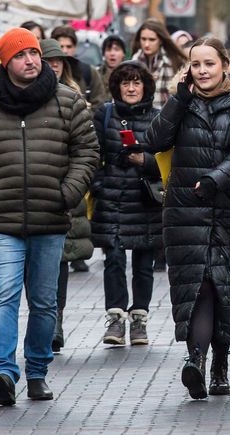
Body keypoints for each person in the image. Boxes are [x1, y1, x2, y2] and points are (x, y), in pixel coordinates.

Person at [0, 28, 99, 406]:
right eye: (21, 55)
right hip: (0, 220)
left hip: (49, 219)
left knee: (44, 302)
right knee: (4, 296)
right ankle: (3, 370)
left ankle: (37, 372)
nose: (31, 60)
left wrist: (66, 194)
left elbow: (87, 153)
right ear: (6, 62)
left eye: (34, 53)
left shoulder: (67, 101)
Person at [147, 37, 230, 400]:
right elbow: (155, 140)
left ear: (225, 65)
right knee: (196, 285)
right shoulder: (181, 100)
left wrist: (216, 179)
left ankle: (220, 365)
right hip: (186, 208)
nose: (202, 71)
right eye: (196, 65)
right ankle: (195, 361)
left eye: (209, 64)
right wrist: (179, 99)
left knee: (223, 287)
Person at [91, 61, 162, 346]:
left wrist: (144, 160)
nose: (131, 88)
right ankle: (116, 318)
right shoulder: (105, 114)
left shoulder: (159, 117)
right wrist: (97, 184)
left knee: (144, 264)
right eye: (125, 83)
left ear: (145, 86)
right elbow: (90, 153)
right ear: (116, 87)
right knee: (114, 260)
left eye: (136, 82)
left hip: (145, 200)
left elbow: (169, 160)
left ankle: (139, 320)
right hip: (113, 200)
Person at [39, 39, 96, 351]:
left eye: (59, 60)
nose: (55, 65)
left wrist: (73, 185)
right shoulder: (28, 96)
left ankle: (55, 321)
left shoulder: (75, 98)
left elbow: (86, 148)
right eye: (49, 60)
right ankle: (44, 319)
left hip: (65, 193)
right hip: (35, 189)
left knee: (59, 260)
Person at [132, 19, 188, 109]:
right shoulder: (134, 62)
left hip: (167, 115)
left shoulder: (173, 61)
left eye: (152, 40)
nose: (146, 44)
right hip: (139, 115)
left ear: (160, 40)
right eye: (143, 39)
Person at [50, 25, 100, 109]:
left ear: (75, 47)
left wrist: (82, 117)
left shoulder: (88, 71)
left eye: (69, 46)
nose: (65, 51)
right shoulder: (43, 71)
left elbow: (98, 103)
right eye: (61, 46)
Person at [92, 34, 127, 107]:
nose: (112, 53)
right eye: (108, 50)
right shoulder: (96, 74)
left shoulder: (130, 74)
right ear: (104, 54)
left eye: (116, 49)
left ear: (123, 53)